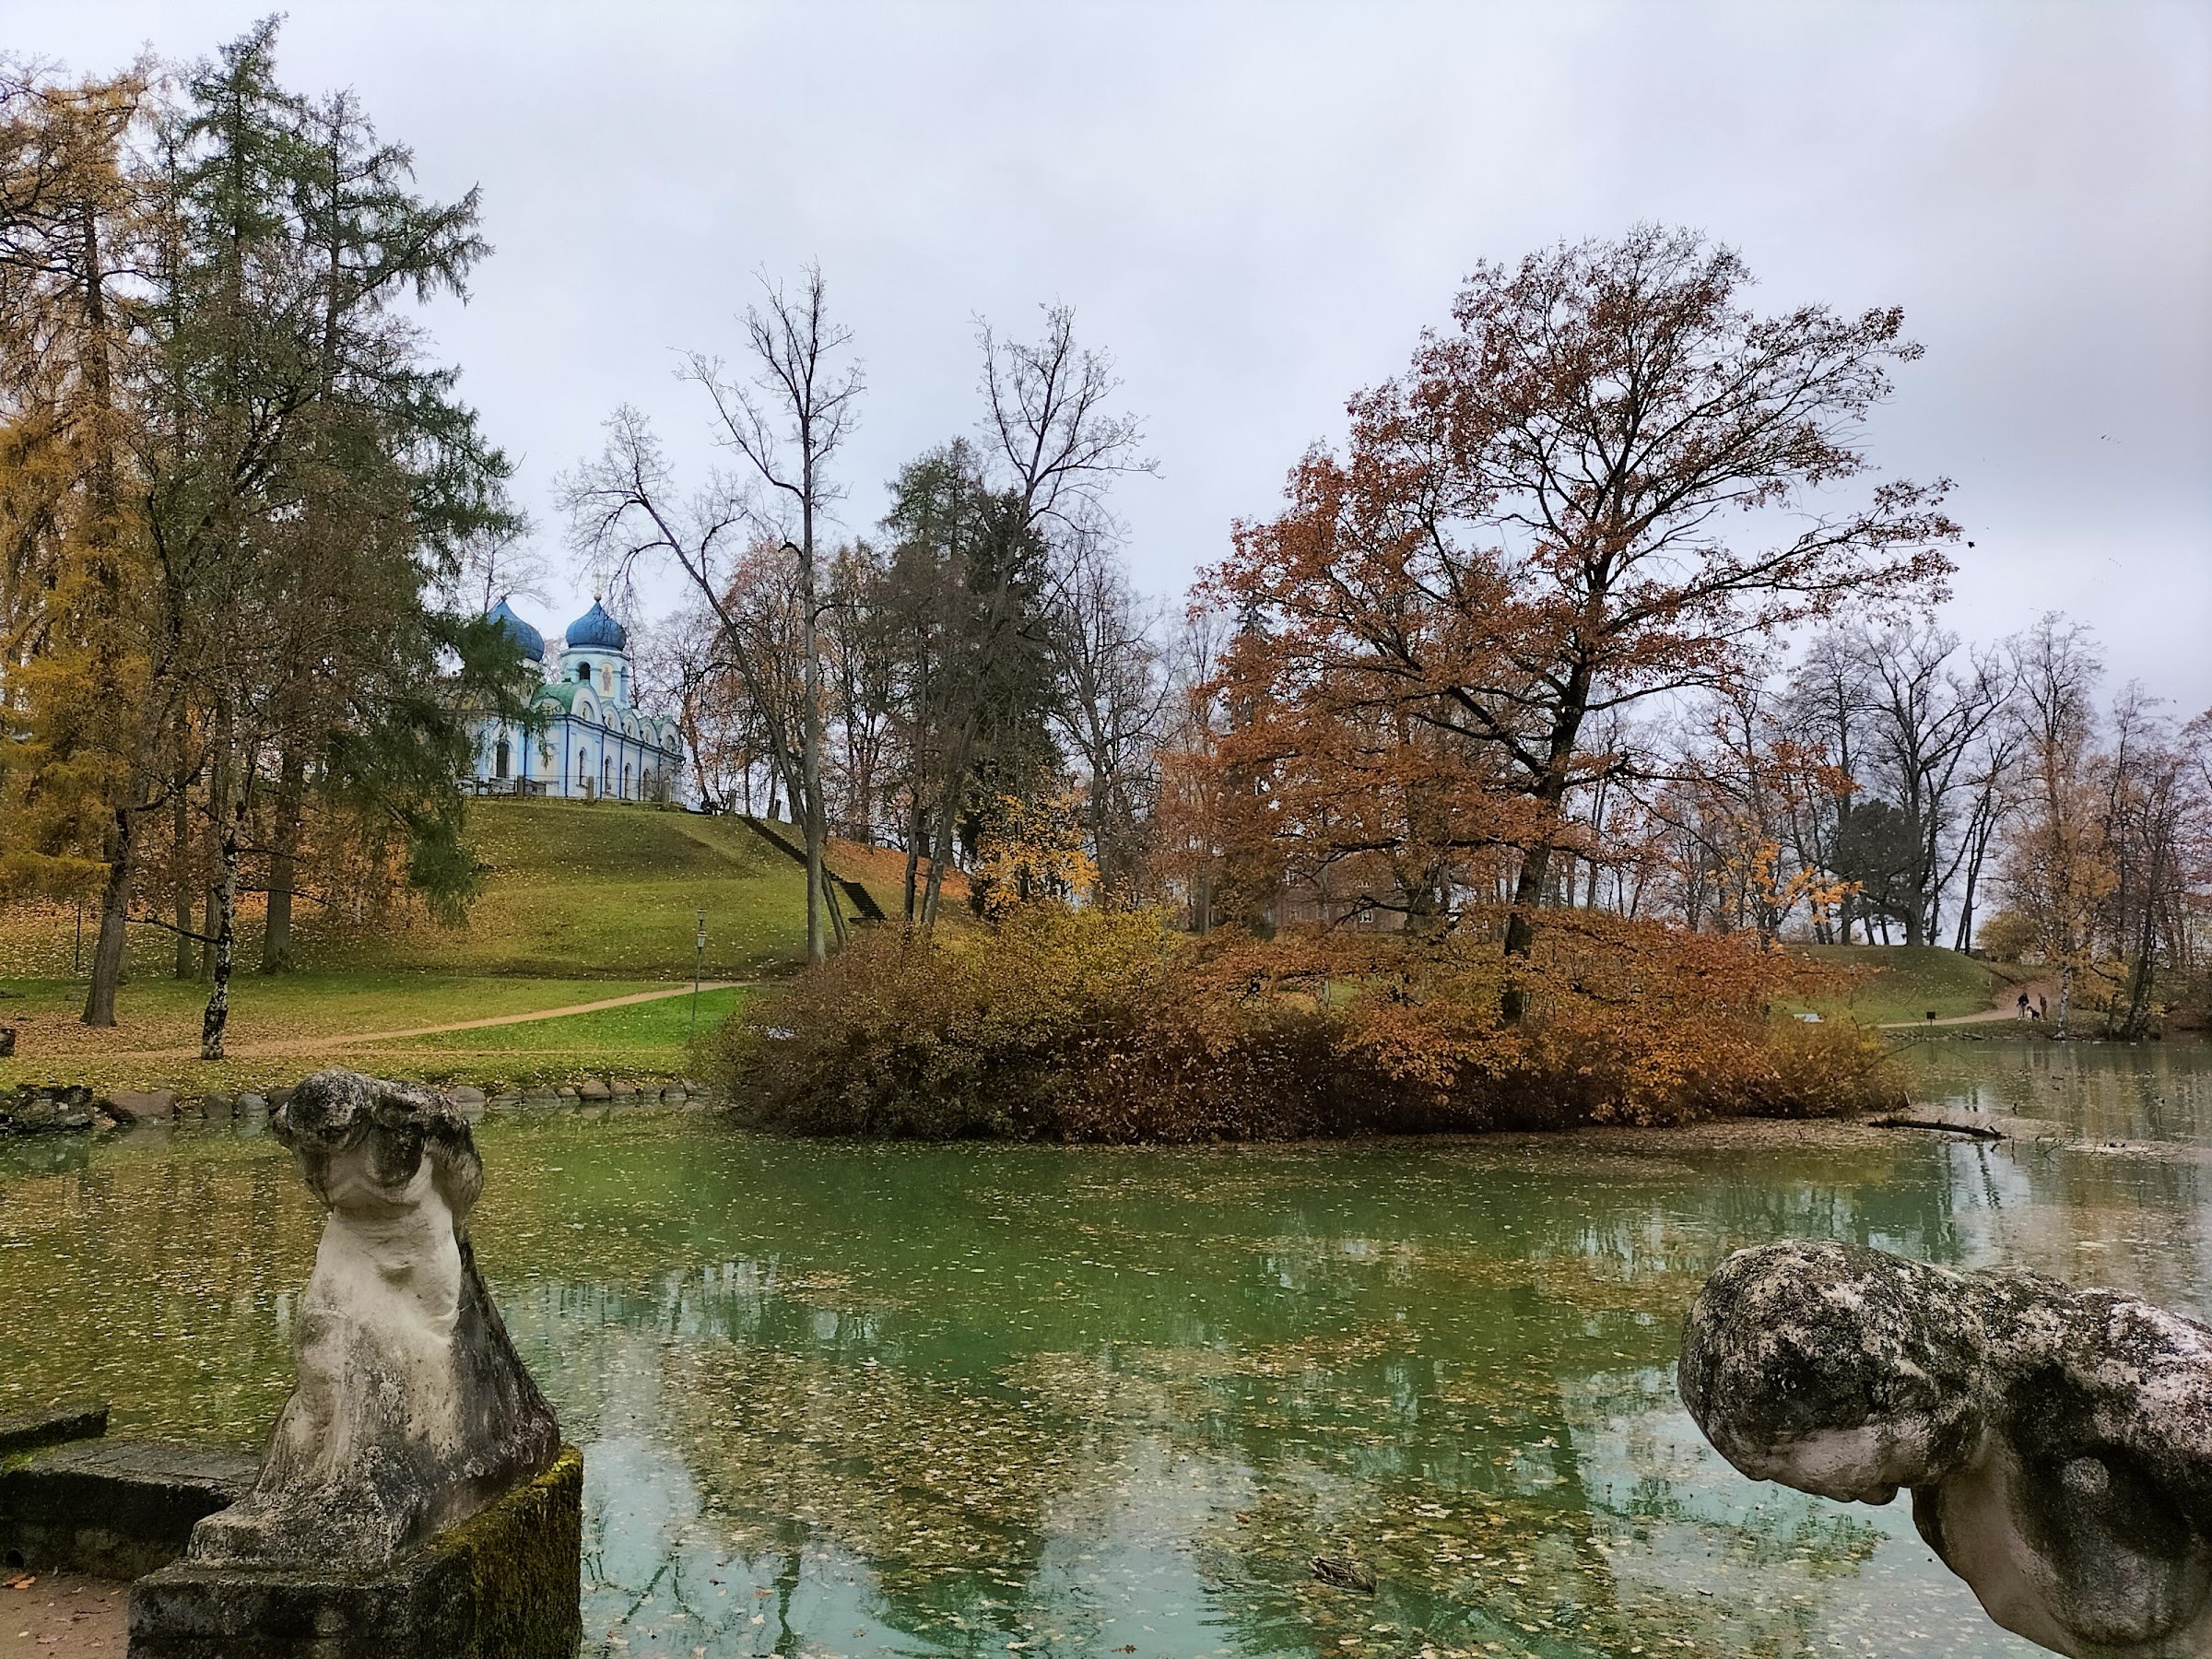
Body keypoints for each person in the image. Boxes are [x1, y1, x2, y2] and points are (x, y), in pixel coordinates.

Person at [1680, 1241, 2212, 1658]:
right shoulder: (1939, 1479)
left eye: (1868, 1475)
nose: (1868, 1500)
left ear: (1906, 1392)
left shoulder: (2144, 1394)